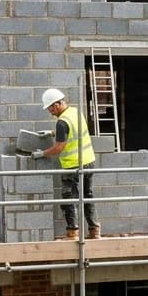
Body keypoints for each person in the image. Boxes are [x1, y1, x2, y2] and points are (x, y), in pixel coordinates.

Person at [32, 88, 100, 240]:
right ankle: (95, 231)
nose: (50, 112)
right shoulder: (75, 112)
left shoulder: (62, 122)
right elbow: (74, 131)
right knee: (87, 196)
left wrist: (41, 154)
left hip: (73, 166)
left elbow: (59, 147)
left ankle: (72, 233)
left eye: (50, 108)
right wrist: (51, 133)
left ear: (57, 104)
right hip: (88, 161)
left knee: (68, 198)